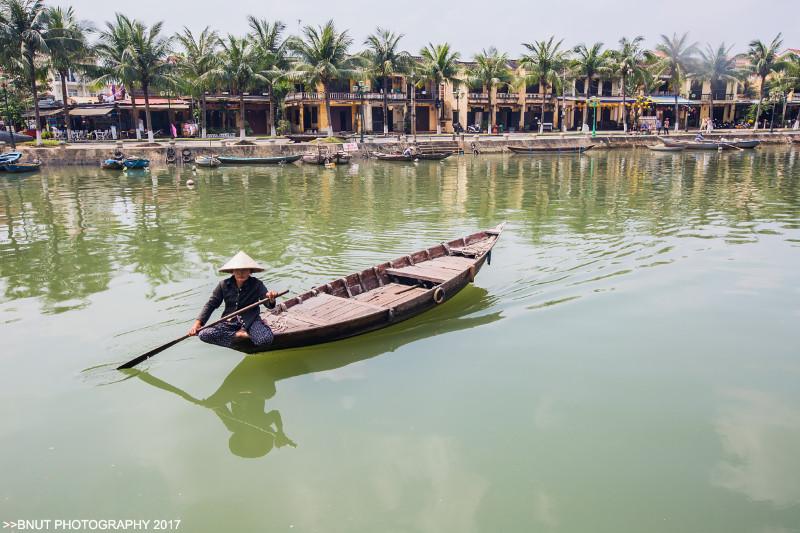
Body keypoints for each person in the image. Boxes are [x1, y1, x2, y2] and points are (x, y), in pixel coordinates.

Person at [188, 251, 278, 348]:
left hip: (251, 320)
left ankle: (253, 330)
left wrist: (271, 298)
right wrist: (198, 324)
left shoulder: (257, 284)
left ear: (250, 271)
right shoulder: (223, 285)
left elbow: (268, 303)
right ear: (232, 271)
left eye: (244, 270)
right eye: (237, 270)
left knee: (265, 339)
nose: (241, 273)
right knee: (203, 334)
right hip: (229, 322)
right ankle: (239, 335)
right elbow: (211, 304)